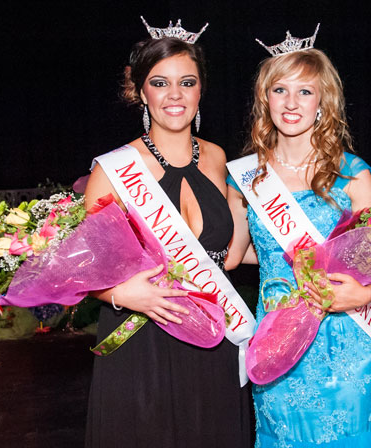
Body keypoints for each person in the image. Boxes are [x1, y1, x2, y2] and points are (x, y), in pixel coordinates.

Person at [226, 27, 371, 447]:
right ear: (264, 99)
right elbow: (236, 254)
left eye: (305, 92)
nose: (291, 103)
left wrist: (365, 292)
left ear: (323, 101)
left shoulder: (352, 172)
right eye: (280, 90)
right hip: (278, 339)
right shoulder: (246, 177)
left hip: (347, 337)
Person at [84, 20, 252, 448]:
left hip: (215, 331)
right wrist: (121, 295)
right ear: (141, 92)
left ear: (200, 90)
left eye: (187, 82)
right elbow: (87, 267)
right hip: (144, 335)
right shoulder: (113, 169)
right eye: (160, 83)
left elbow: (229, 255)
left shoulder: (217, 158)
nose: (175, 95)